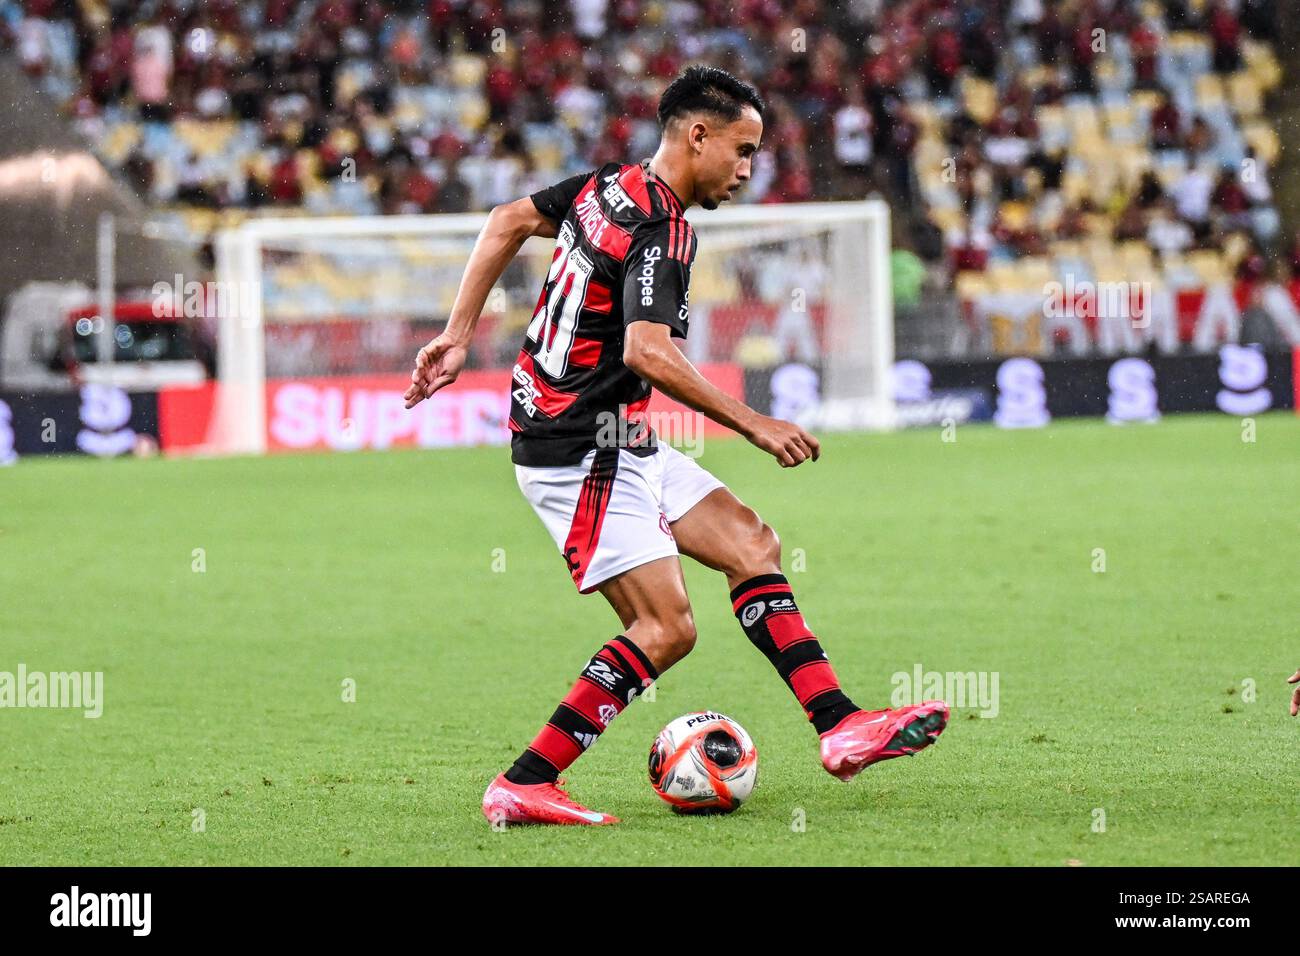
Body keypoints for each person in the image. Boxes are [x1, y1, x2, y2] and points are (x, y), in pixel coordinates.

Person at [404, 65, 947, 827]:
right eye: (743, 149)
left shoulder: (609, 185)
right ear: (698, 135)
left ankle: (840, 725)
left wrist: (457, 337)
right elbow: (647, 352)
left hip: (610, 435)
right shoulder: (664, 228)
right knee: (666, 629)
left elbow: (504, 219)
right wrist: (754, 423)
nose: (749, 169)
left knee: (751, 543)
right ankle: (525, 781)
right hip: (579, 450)